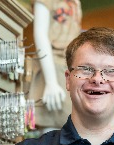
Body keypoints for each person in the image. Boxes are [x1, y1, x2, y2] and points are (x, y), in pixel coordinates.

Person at [29, 0, 82, 131]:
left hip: (71, 67)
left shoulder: (75, 2)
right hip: (52, 66)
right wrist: (50, 82)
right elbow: (40, 34)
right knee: (52, 128)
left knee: (73, 129)